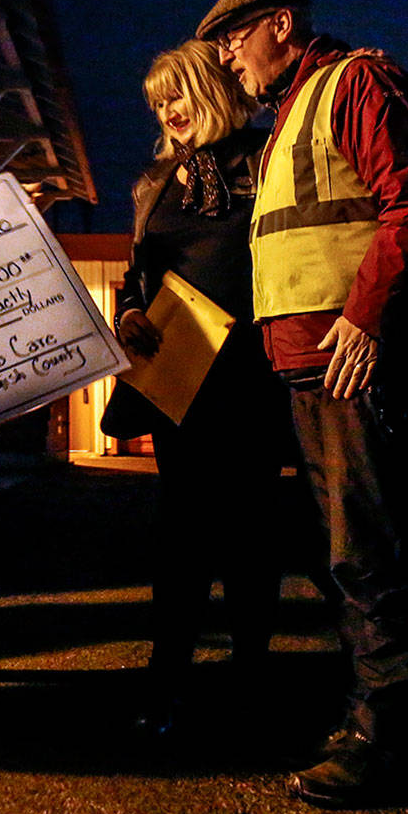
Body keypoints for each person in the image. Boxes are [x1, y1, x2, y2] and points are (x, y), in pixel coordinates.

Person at [195, 0, 408, 808]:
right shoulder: (286, 122)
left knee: (374, 554)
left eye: (234, 41)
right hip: (316, 371)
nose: (229, 60)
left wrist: (367, 316)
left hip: (363, 363)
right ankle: (372, 723)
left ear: (280, 24)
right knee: (350, 555)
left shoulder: (357, 83)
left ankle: (388, 745)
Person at [104, 39, 289, 743]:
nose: (169, 112)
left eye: (177, 95)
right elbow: (137, 276)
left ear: (211, 87)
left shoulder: (267, 158)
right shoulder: (155, 179)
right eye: (158, 103)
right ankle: (166, 682)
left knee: (249, 535)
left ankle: (251, 679)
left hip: (252, 377)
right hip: (178, 377)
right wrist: (127, 315)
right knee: (180, 536)